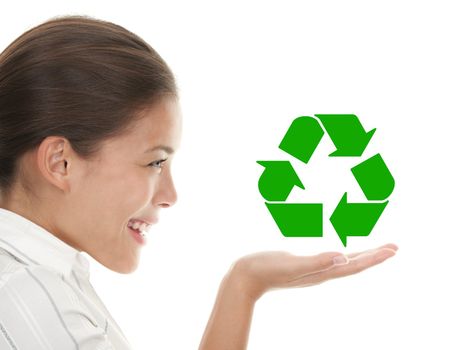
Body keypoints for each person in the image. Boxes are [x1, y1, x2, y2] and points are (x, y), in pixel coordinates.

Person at [0, 15, 398, 349]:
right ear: (61, 162)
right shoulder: (25, 291)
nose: (171, 195)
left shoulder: (49, 277)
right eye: (155, 162)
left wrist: (244, 284)